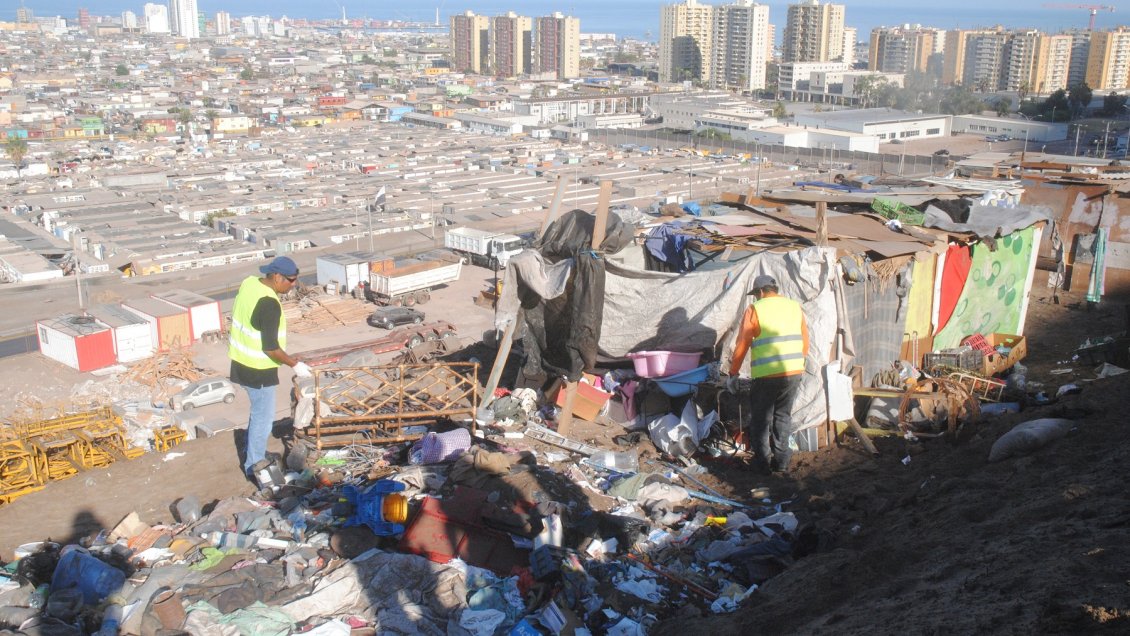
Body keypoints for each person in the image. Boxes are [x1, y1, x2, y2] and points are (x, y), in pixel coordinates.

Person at [229, 256, 311, 477]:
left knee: (257, 413)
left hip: (240, 363)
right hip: (258, 370)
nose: (293, 284)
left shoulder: (249, 284)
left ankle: (254, 453)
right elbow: (271, 348)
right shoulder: (269, 304)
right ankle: (254, 465)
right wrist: (296, 365)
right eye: (290, 280)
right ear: (277, 277)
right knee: (263, 420)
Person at [728, 274, 809, 474]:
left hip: (766, 375)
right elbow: (804, 340)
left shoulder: (756, 309)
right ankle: (781, 462)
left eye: (756, 294)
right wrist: (799, 362)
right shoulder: (794, 306)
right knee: (783, 416)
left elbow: (742, 343)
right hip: (793, 372)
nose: (756, 297)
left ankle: (762, 465)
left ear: (761, 292)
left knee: (761, 420)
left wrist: (733, 372)